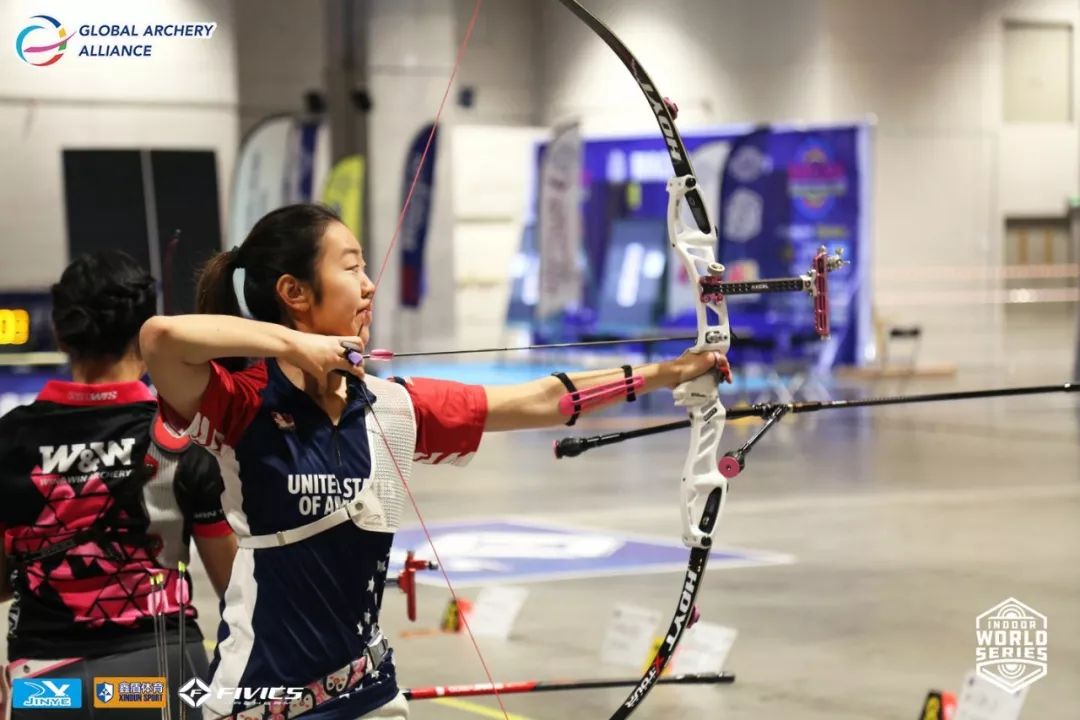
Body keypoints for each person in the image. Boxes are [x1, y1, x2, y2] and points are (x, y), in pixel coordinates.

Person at [140, 203, 730, 720]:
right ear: (295, 293)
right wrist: (296, 345)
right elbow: (160, 339)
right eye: (350, 267)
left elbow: (540, 399)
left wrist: (667, 373)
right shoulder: (242, 404)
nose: (369, 285)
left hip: (368, 693)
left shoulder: (394, 407)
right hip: (261, 697)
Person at [0, 251, 237, 718]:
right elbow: (234, 584)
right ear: (145, 334)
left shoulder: (10, 440)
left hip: (49, 686)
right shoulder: (181, 436)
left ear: (63, 336)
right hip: (159, 673)